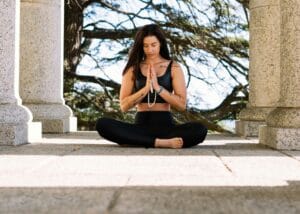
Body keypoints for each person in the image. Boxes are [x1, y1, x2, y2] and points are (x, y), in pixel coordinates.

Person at [96, 24, 207, 149]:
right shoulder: (133, 68)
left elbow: (181, 105)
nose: (150, 50)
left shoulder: (174, 67)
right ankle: (159, 143)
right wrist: (146, 88)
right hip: (140, 126)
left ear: (161, 43)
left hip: (166, 127)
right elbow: (124, 106)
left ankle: (140, 141)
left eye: (153, 45)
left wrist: (158, 88)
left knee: (200, 129)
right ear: (141, 46)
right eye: (145, 46)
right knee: (102, 124)